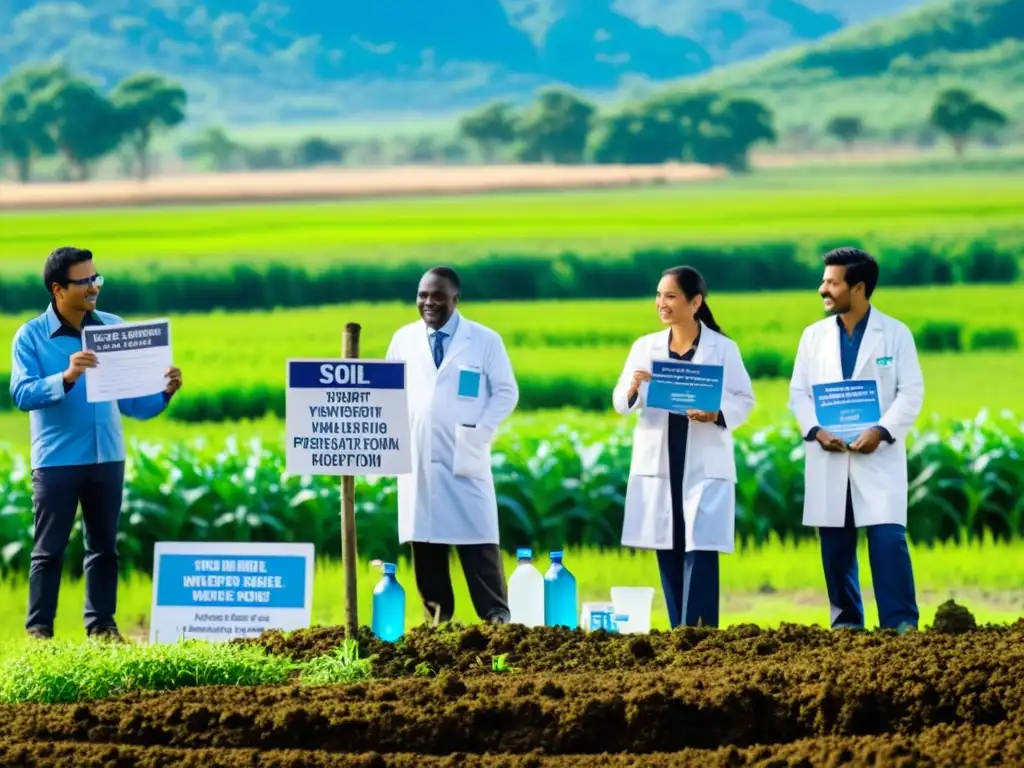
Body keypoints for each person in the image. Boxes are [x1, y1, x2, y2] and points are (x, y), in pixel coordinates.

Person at [9, 246, 183, 642]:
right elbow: (21, 394)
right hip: (57, 461)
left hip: (108, 456)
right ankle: (39, 635)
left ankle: (102, 628)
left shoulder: (113, 328)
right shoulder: (31, 337)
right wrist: (67, 376)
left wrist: (164, 392)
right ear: (58, 289)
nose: (93, 287)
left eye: (96, 278)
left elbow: (134, 404)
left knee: (104, 548)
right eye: (84, 281)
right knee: (48, 552)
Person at [787, 247, 924, 633]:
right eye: (824, 281)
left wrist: (880, 431)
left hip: (876, 454)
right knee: (835, 546)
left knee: (887, 541)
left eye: (832, 282)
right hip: (829, 453)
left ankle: (900, 624)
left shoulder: (894, 334)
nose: (822, 289)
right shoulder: (812, 336)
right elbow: (798, 393)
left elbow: (911, 392)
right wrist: (815, 430)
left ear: (858, 287)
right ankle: (846, 625)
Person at [612, 266, 755, 629]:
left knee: (701, 549)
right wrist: (633, 388)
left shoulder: (722, 349)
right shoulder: (645, 347)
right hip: (661, 461)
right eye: (659, 295)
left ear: (695, 302)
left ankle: (701, 635)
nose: (661, 303)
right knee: (669, 547)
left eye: (671, 296)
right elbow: (620, 401)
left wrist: (717, 412)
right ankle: (680, 634)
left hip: (703, 460)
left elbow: (745, 399)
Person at [385, 266, 519, 625]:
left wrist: (480, 431)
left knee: (478, 536)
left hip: (465, 451)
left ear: (455, 299)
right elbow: (388, 394)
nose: (428, 302)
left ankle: (495, 616)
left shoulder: (484, 340)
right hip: (417, 456)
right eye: (422, 295)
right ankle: (438, 619)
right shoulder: (404, 339)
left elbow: (507, 391)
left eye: (437, 296)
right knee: (425, 542)